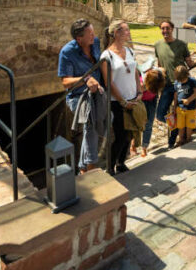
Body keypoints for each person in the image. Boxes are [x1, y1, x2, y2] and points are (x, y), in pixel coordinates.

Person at [57, 19, 103, 173]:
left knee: (107, 117)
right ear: (79, 38)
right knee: (91, 120)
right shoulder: (67, 52)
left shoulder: (95, 42)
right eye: (90, 34)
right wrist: (85, 79)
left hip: (96, 92)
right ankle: (90, 167)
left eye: (93, 31)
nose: (94, 36)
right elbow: (66, 82)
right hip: (77, 96)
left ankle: (82, 166)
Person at [99, 20, 142, 175]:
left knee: (130, 133)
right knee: (120, 134)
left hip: (133, 98)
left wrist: (139, 92)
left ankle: (121, 162)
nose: (128, 33)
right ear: (116, 33)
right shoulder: (107, 55)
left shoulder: (130, 51)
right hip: (118, 102)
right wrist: (123, 102)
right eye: (125, 30)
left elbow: (136, 72)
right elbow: (108, 82)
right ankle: (110, 167)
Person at [154, 20, 195, 148]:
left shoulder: (181, 45)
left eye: (167, 28)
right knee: (160, 114)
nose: (165, 31)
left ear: (172, 29)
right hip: (166, 86)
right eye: (162, 28)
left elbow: (190, 64)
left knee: (179, 112)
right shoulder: (157, 45)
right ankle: (178, 127)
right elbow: (160, 64)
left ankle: (173, 141)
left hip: (181, 85)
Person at [139, 62, 165, 157]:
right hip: (141, 102)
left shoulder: (157, 75)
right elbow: (139, 89)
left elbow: (163, 71)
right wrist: (144, 87)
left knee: (149, 124)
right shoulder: (141, 79)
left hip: (152, 100)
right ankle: (133, 146)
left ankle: (144, 147)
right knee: (137, 124)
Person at [173, 65, 196, 146]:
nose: (182, 82)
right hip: (180, 108)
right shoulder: (177, 82)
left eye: (183, 80)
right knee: (180, 125)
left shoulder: (192, 81)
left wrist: (189, 100)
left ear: (187, 75)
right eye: (180, 80)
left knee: (189, 125)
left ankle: (188, 138)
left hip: (191, 108)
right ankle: (181, 140)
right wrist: (174, 106)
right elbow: (176, 95)